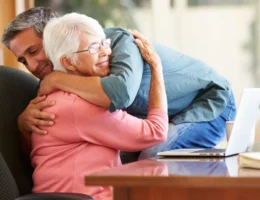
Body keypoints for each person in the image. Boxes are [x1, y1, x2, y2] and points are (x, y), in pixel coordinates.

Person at [1, 7, 236, 162]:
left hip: (208, 102)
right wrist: (23, 125)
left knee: (152, 156)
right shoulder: (66, 86)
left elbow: (119, 94)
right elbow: (41, 152)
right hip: (157, 121)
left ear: (56, 36)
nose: (31, 66)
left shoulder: (115, 43)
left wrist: (55, 78)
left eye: (34, 51)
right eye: (23, 60)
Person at [31, 12, 168, 200]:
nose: (107, 52)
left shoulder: (62, 97)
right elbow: (156, 131)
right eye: (94, 47)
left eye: (105, 42)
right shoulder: (78, 106)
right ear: (68, 62)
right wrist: (156, 67)